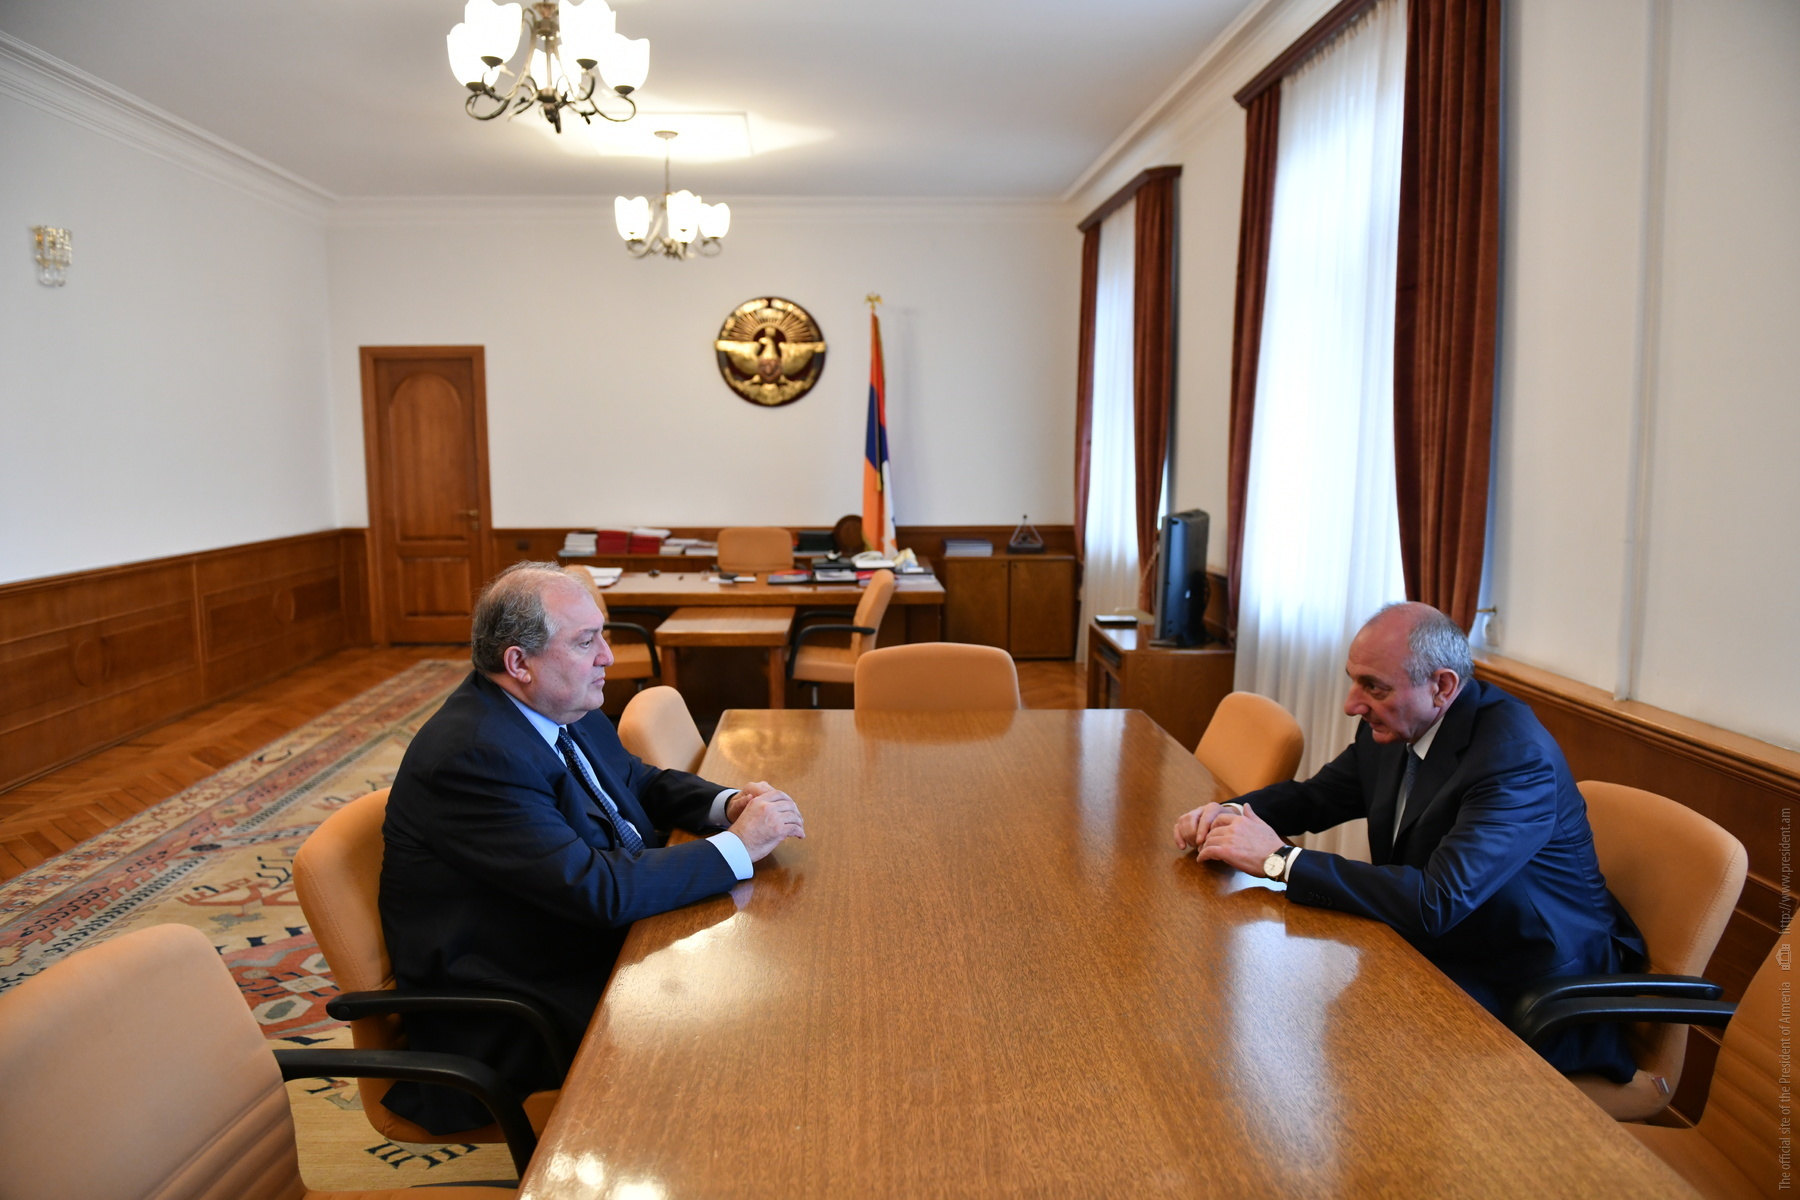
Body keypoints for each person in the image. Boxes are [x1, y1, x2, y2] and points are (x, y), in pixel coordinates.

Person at [378, 561, 806, 1133]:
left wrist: (727, 806)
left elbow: (636, 781)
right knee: (740, 1025)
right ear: (519, 663)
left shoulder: (558, 701)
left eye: (602, 635)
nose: (607, 656)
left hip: (574, 939)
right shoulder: (475, 756)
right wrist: (737, 847)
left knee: (768, 974)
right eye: (585, 642)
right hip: (518, 1001)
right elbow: (596, 889)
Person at [1172, 602, 1644, 1080]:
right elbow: (1317, 798)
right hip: (1442, 950)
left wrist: (1279, 860)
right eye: (1353, 681)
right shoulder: (1398, 723)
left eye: (1373, 686)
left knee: (1320, 1048)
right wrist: (1227, 814)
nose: (1352, 704)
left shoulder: (1514, 759)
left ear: (1442, 687)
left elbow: (1437, 900)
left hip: (1528, 986)